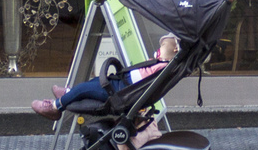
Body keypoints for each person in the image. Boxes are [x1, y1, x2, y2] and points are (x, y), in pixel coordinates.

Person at [31, 34, 179, 117]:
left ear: (175, 50)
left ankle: (56, 107)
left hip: (123, 92)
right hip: (123, 84)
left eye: (163, 46)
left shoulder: (164, 68)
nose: (159, 49)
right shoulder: (161, 64)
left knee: (84, 89)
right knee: (94, 82)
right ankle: (69, 93)